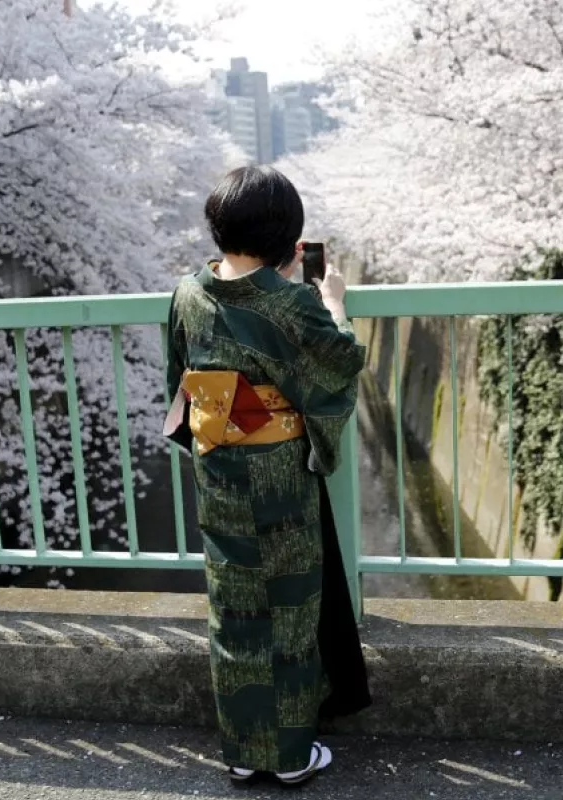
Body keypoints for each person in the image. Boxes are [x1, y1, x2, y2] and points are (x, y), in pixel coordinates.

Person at [163, 165, 372, 787]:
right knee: (289, 605)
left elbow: (182, 369)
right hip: (278, 475)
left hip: (219, 466)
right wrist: (332, 303)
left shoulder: (187, 292)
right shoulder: (292, 304)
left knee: (234, 606)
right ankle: (287, 756)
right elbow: (340, 364)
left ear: (218, 225)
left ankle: (241, 748)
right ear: (289, 237)